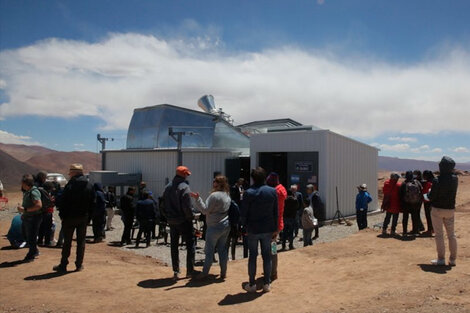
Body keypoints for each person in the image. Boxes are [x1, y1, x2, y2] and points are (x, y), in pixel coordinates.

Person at [241, 167, 278, 293]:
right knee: (266, 255)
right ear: (264, 177)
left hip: (252, 229)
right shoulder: (272, 191)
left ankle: (252, 284)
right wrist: (276, 228)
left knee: (253, 255)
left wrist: (243, 227)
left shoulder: (248, 192)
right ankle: (267, 283)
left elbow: (244, 213)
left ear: (252, 178)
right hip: (268, 228)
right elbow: (275, 212)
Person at [53, 164, 95, 272]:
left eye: (70, 173)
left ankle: (63, 265)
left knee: (67, 241)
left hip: (69, 218)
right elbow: (92, 203)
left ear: (74, 173)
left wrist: (62, 216)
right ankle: (79, 265)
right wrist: (88, 218)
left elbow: (63, 201)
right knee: (81, 242)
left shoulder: (70, 185)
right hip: (83, 218)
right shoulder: (89, 185)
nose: (69, 175)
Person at [191, 175, 231, 279]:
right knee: (222, 249)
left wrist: (197, 199)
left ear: (217, 183)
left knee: (209, 250)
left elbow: (205, 210)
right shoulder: (227, 195)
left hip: (214, 226)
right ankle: (223, 273)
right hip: (225, 225)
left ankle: (205, 273)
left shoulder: (214, 196)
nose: (213, 183)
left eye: (215, 181)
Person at [163, 166, 196, 280]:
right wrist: (190, 217)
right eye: (186, 174)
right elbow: (187, 206)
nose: (187, 176)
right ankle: (190, 271)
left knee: (174, 245)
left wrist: (167, 216)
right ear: (183, 175)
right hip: (183, 221)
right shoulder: (185, 187)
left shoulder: (167, 187)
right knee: (190, 244)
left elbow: (162, 204)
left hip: (172, 220)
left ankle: (176, 271)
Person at [428, 156, 458, 266]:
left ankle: (441, 259)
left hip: (437, 209)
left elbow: (431, 196)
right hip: (450, 209)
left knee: (439, 235)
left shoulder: (437, 180)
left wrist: (429, 193)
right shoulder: (455, 179)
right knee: (451, 235)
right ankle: (453, 259)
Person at [17, 174, 43, 262]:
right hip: (28, 217)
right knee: (28, 236)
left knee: (31, 236)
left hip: (33, 217)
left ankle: (31, 255)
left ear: (25, 183)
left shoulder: (33, 192)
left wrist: (25, 209)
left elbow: (39, 205)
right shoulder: (28, 192)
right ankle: (35, 251)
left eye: (22, 183)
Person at [266, 172, 286, 282]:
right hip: (279, 224)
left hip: (272, 225)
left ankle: (272, 272)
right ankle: (273, 271)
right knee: (273, 249)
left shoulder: (274, 192)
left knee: (271, 250)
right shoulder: (282, 189)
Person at [400, 171, 423, 235]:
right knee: (415, 217)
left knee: (405, 218)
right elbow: (421, 192)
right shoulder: (417, 182)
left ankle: (405, 232)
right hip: (415, 204)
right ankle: (415, 231)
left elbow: (401, 194)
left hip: (406, 204)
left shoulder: (404, 183)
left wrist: (402, 203)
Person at [37, 181, 55, 246]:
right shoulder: (46, 194)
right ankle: (47, 242)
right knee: (48, 228)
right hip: (48, 212)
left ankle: (40, 241)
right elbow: (50, 203)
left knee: (41, 227)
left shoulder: (41, 193)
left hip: (41, 212)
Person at [421, 170, 435, 236]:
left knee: (428, 216)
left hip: (428, 202)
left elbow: (425, 193)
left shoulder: (428, 183)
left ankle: (430, 230)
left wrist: (424, 199)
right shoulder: (435, 181)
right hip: (435, 201)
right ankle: (433, 229)